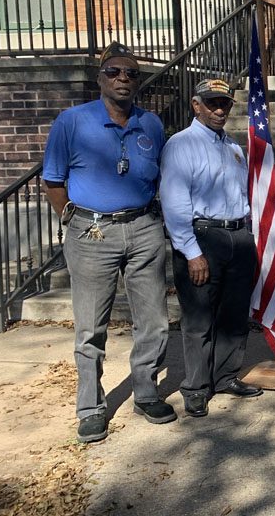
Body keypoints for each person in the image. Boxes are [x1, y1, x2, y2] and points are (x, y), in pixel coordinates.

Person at [42, 41, 175, 442]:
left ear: (138, 81)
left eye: (131, 73)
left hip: (143, 227)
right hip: (91, 231)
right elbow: (53, 180)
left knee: (153, 319)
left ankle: (147, 391)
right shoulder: (72, 121)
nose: (123, 79)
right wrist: (69, 216)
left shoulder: (150, 124)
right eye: (114, 72)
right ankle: (90, 407)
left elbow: (157, 177)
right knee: (90, 326)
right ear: (100, 78)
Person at [159, 78, 263, 419]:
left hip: (237, 236)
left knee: (233, 315)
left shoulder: (233, 146)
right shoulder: (180, 145)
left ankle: (225, 375)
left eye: (225, 104)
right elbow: (174, 204)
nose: (220, 110)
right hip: (203, 239)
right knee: (199, 319)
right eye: (212, 103)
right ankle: (196, 386)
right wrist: (191, 252)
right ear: (196, 104)